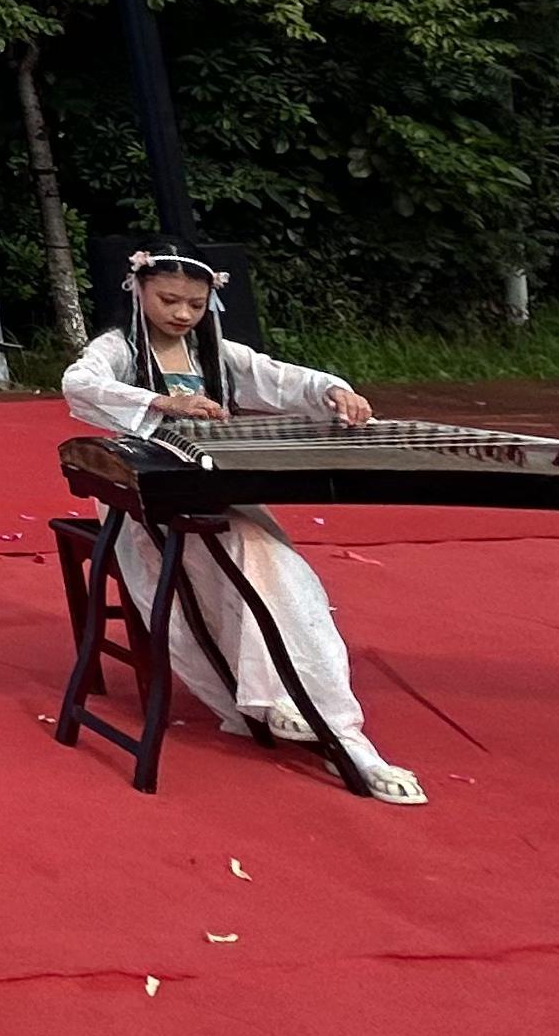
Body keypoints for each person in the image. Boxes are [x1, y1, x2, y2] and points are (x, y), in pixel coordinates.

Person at [64, 249, 428, 806]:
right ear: (138, 292)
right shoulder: (119, 349)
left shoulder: (217, 353)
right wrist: (161, 401)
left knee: (273, 564)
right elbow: (79, 384)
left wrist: (334, 390)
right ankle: (285, 701)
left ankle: (315, 710)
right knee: (225, 563)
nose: (182, 314)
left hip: (213, 486)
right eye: (168, 300)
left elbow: (282, 379)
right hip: (141, 494)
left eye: (195, 304)